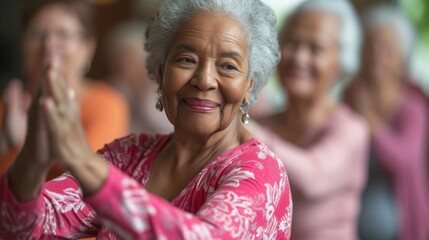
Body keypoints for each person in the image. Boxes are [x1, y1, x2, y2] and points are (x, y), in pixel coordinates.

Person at [0, 0, 292, 239]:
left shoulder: (261, 172)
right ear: (161, 71)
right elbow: (21, 225)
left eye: (228, 66)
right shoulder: (129, 155)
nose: (204, 80)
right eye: (186, 59)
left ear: (249, 86)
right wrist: (33, 155)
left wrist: (81, 159)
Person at [251, 0, 369, 239]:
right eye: (292, 43)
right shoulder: (263, 124)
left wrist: (244, 127)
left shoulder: (352, 129)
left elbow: (315, 178)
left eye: (315, 48)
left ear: (342, 63)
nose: (299, 57)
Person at [0, 0, 129, 180]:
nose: (49, 45)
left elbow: (90, 179)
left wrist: (25, 145)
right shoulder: (7, 107)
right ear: (23, 45)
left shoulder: (105, 103)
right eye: (38, 34)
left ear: (88, 47)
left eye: (63, 34)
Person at [344, 4, 429, 240]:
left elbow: (404, 160)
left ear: (402, 58)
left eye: (386, 48)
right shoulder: (348, 98)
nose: (376, 55)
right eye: (370, 45)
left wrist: (370, 119)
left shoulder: (413, 106)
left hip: (404, 222)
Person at [104, 20, 173, 134]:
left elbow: (170, 127)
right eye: (119, 58)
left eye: (130, 58)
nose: (124, 64)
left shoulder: (163, 85)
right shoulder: (110, 88)